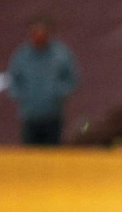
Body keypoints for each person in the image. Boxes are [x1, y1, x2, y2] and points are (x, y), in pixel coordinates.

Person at [6, 15, 78, 145]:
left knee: (52, 153)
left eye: (42, 32)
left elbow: (71, 78)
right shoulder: (22, 56)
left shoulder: (60, 54)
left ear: (49, 34)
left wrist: (59, 92)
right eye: (34, 32)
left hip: (53, 114)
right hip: (30, 114)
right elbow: (13, 79)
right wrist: (21, 94)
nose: (38, 36)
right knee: (30, 155)